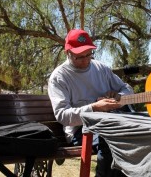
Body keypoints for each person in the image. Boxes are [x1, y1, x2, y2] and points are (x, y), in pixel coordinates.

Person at [48, 29, 133, 177]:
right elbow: (62, 115)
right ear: (67, 53)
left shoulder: (101, 68)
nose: (86, 60)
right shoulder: (59, 77)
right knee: (112, 136)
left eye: (89, 54)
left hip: (111, 122)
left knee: (137, 132)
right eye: (79, 57)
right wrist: (94, 108)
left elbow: (127, 89)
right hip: (80, 130)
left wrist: (119, 96)